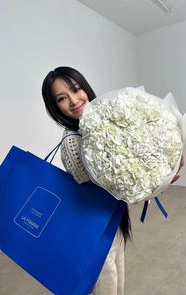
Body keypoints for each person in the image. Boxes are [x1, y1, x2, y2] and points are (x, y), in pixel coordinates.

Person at [42, 66, 132, 295]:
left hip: (113, 222)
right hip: (96, 229)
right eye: (62, 98)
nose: (74, 100)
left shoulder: (99, 127)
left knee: (118, 283)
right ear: (55, 107)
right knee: (107, 285)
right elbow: (103, 191)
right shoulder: (73, 143)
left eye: (76, 89)